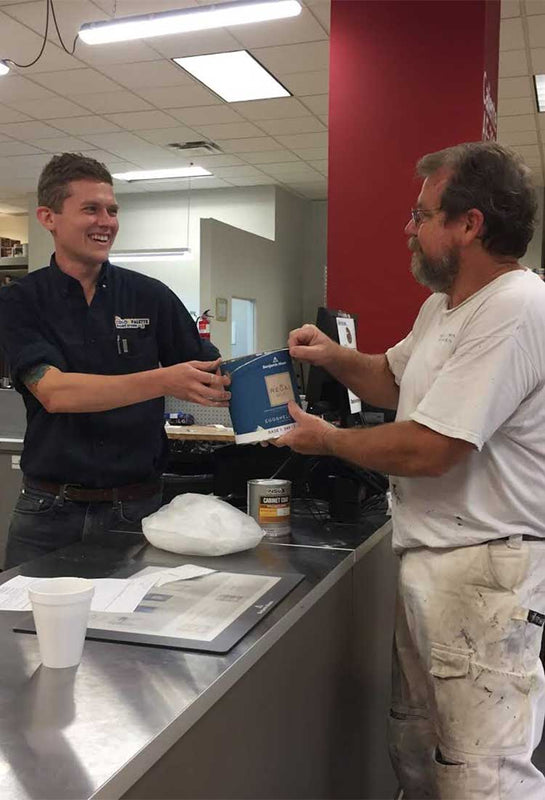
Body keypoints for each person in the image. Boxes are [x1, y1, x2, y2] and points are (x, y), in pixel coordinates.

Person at [276, 142, 545, 799]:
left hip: (484, 571)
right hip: (433, 560)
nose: (408, 228)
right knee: (420, 749)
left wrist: (329, 440)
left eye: (421, 215)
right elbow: (391, 380)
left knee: (481, 772)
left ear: (469, 225)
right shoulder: (444, 307)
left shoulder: (514, 306)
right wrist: (335, 356)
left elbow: (431, 447)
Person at [0, 153, 230, 568]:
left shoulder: (150, 296)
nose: (106, 221)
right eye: (90, 209)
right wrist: (163, 380)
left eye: (112, 210)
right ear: (48, 217)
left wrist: (273, 382)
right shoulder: (20, 300)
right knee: (24, 630)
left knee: (133, 631)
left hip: (137, 511)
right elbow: (54, 392)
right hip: (47, 513)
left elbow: (211, 374)